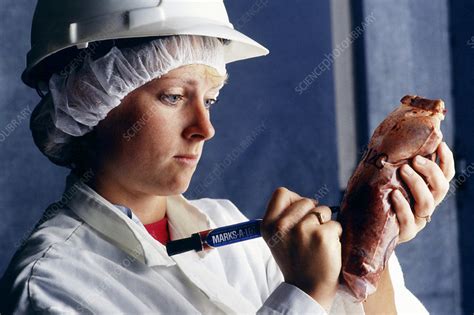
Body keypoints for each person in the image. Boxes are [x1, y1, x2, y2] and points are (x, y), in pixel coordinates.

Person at [0, 1, 455, 314]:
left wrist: (372, 242)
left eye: (211, 99)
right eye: (174, 96)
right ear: (90, 96)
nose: (205, 127)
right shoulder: (49, 282)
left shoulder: (226, 226)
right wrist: (302, 293)